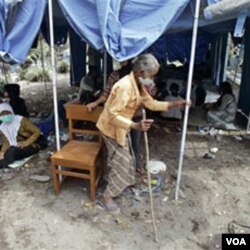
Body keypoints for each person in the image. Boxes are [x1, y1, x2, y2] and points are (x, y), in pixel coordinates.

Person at [96, 54, 190, 212]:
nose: (153, 79)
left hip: (121, 127)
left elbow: (151, 104)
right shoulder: (125, 86)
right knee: (123, 161)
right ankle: (106, 197)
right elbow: (112, 114)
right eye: (151, 75)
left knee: (127, 159)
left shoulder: (138, 84)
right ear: (141, 72)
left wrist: (175, 104)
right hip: (111, 128)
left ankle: (118, 185)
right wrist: (134, 125)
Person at [0, 103, 47, 169]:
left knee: (13, 151)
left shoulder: (21, 120)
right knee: (6, 149)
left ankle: (2, 163)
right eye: (2, 114)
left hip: (32, 144)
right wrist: (2, 152)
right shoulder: (2, 127)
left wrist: (26, 143)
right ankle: (3, 159)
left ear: (11, 111)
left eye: (7, 113)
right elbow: (6, 142)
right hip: (16, 145)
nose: (5, 116)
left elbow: (37, 131)